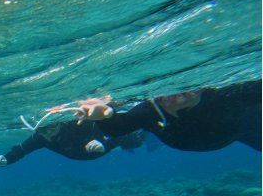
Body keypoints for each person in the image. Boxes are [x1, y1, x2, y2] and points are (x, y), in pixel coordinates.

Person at [75, 79, 261, 152]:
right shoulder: (150, 110)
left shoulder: (228, 95)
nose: (173, 91)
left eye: (187, 84)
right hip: (225, 134)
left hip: (246, 129)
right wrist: (105, 116)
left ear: (203, 85)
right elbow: (118, 127)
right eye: (163, 88)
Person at [0, 118, 145, 166]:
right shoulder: (41, 138)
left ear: (59, 123)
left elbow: (108, 130)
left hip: (100, 147)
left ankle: (146, 126)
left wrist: (102, 143)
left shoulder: (75, 124)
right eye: (42, 130)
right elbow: (22, 149)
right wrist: (7, 159)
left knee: (134, 141)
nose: (48, 133)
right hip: (80, 155)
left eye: (51, 128)